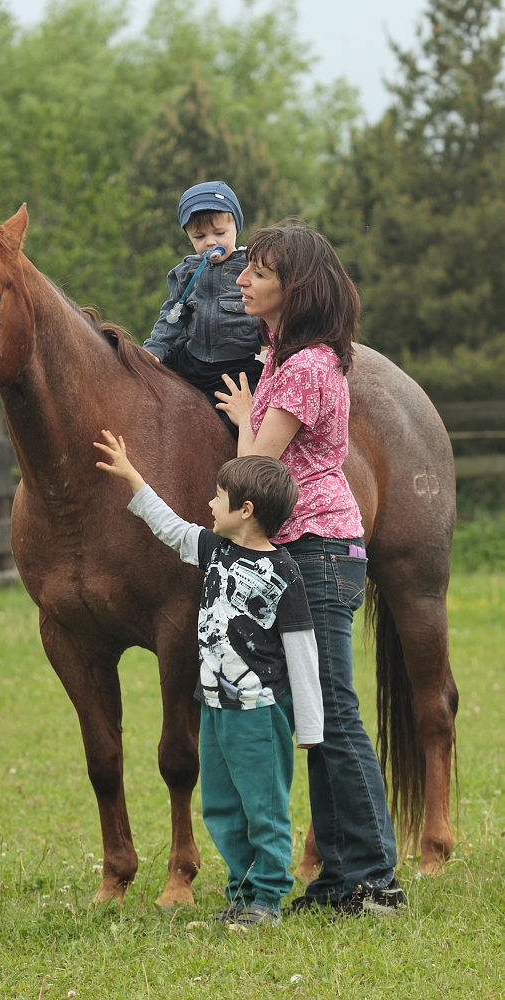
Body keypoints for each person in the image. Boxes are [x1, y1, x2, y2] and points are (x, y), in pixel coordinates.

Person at [215, 222, 407, 916]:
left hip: (318, 550)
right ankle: (338, 879)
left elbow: (256, 473)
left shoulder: (304, 367)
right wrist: (246, 410)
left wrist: (243, 425)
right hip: (301, 550)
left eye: (258, 273)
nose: (242, 280)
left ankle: (374, 880)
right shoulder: (281, 359)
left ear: (292, 288)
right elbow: (262, 461)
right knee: (315, 717)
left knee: (332, 712)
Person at [93, 432, 324, 926]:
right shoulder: (216, 550)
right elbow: (171, 528)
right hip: (215, 706)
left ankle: (267, 897)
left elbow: (302, 653)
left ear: (244, 509)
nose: (208, 503)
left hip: (259, 713)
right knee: (221, 806)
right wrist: (133, 477)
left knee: (264, 808)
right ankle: (241, 894)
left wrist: (309, 727)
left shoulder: (284, 574)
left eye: (217, 497)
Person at [143, 181, 263, 439]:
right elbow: (172, 316)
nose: (210, 242)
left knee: (240, 424)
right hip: (191, 359)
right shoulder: (186, 272)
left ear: (236, 227)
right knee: (142, 388)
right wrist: (154, 349)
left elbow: (270, 314)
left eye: (219, 233)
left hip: (234, 369)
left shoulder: (251, 268)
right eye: (199, 237)